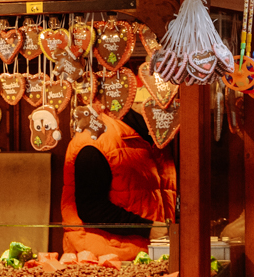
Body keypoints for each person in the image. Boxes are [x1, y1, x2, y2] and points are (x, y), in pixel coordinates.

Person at [60, 109, 177, 259]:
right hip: (102, 258)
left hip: (145, 254)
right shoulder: (96, 139)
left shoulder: (153, 136)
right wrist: (147, 228)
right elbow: (91, 208)